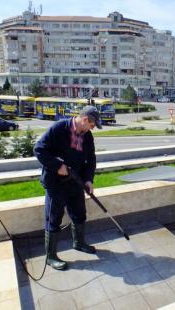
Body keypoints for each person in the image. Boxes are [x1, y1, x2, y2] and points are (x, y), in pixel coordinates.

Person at [34, 106, 102, 270]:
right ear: (85, 120)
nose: (93, 128)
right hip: (55, 184)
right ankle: (51, 257)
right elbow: (39, 149)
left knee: (79, 214)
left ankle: (79, 243)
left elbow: (91, 159)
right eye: (92, 125)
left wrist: (88, 180)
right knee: (54, 218)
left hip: (75, 183)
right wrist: (58, 166)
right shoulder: (59, 128)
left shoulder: (87, 137)